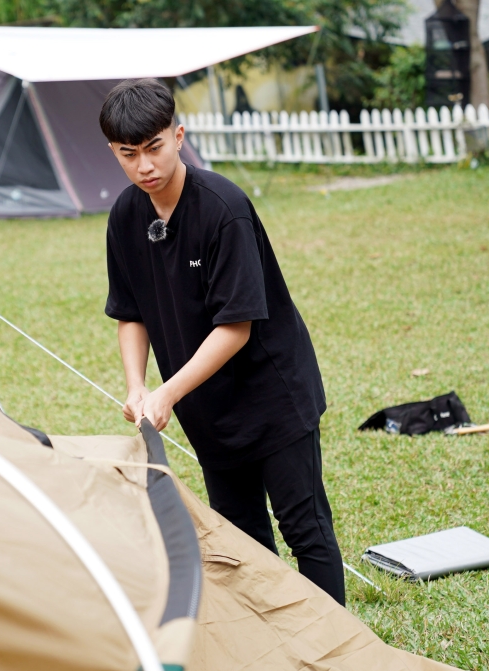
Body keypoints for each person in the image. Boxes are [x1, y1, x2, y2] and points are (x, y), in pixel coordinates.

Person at [99, 79, 344, 605]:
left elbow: (237, 326)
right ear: (114, 154)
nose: (145, 165)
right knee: (243, 542)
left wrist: (166, 393)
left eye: (154, 148)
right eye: (129, 154)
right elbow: (130, 312)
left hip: (273, 395)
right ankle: (273, 658)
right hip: (207, 406)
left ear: (179, 136)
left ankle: (338, 660)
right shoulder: (125, 217)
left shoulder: (223, 208)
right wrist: (138, 385)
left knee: (306, 529)